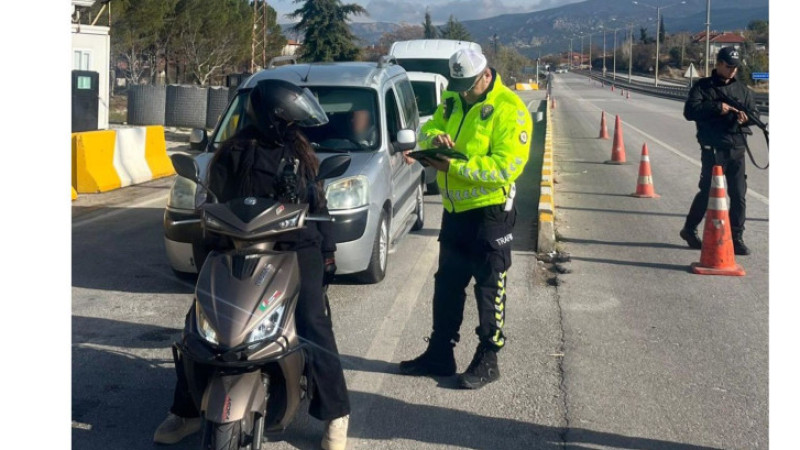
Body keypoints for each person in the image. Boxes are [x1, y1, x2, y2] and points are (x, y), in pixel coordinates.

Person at [153, 79, 351, 450]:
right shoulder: (232, 153)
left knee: (312, 321)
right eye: (288, 120)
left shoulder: (300, 154)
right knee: (199, 323)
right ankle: (186, 409)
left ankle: (335, 415)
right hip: (236, 245)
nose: (293, 128)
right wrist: (206, 232)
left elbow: (318, 206)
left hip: (294, 247)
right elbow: (211, 202)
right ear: (273, 117)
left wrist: (327, 250)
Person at [399, 48, 532, 389]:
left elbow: (506, 167)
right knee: (447, 285)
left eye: (467, 85)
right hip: (456, 212)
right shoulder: (454, 98)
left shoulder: (509, 110)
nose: (460, 91)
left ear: (486, 75)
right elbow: (430, 129)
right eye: (456, 85)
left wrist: (452, 166)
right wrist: (432, 143)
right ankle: (440, 352)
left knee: (490, 287)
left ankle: (489, 357)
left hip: (490, 215)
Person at [681, 46, 757, 255]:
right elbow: (690, 111)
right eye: (729, 66)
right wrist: (717, 108)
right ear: (719, 64)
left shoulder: (742, 90)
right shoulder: (703, 87)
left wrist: (746, 118)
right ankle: (689, 229)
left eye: (735, 67)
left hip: (737, 148)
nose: (733, 71)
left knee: (739, 195)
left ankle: (736, 236)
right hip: (713, 149)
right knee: (708, 192)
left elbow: (753, 112)